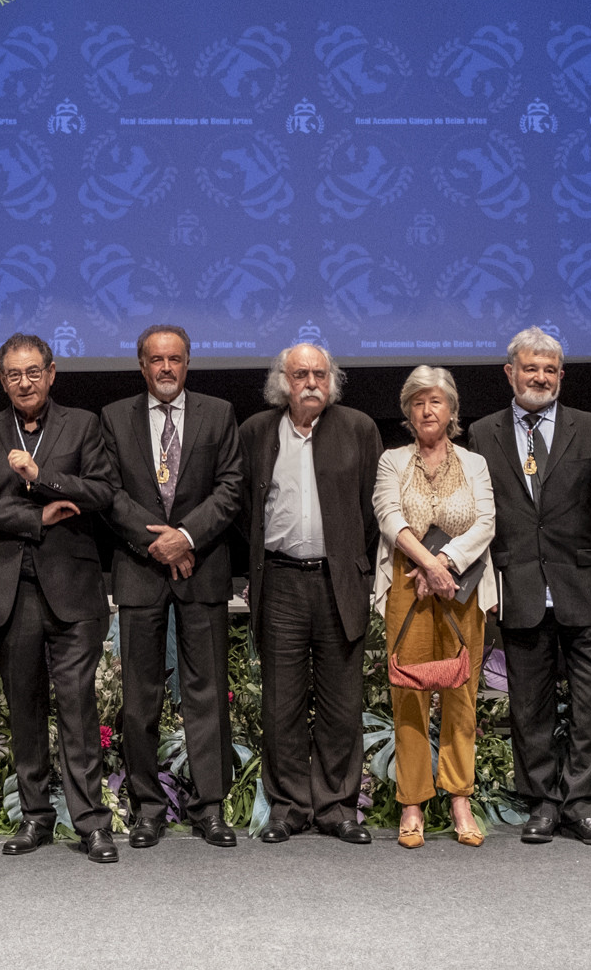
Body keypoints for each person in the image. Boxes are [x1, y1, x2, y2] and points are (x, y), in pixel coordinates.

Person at [0, 333, 122, 861]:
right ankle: (35, 818)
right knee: (24, 710)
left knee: (77, 706)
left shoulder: (83, 424)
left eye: (33, 372)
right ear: (2, 379)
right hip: (10, 589)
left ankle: (92, 823)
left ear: (52, 373)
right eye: (13, 374)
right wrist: (37, 516)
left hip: (73, 591)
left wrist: (42, 478)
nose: (24, 382)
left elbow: (102, 491)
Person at [473, 327, 591, 847]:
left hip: (583, 588)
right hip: (518, 588)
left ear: (562, 375)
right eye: (530, 368)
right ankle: (541, 802)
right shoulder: (482, 432)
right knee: (529, 707)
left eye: (550, 369)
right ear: (509, 372)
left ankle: (581, 804)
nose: (540, 377)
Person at [100, 324, 244, 849]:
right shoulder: (114, 418)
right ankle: (147, 809)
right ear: (142, 365)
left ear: (188, 363)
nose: (166, 368)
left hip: (202, 569)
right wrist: (157, 543)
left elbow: (232, 488)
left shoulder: (219, 413)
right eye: (156, 360)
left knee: (207, 696)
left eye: (175, 359)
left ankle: (210, 808)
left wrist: (186, 537)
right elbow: (109, 493)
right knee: (140, 698)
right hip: (140, 573)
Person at [238, 341, 384, 845]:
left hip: (337, 581)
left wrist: (351, 566)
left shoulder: (359, 429)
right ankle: (289, 806)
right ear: (283, 381)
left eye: (320, 374)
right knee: (282, 703)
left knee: (342, 701)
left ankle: (338, 807)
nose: (311, 384)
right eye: (300, 375)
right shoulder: (257, 431)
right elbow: (243, 513)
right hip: (279, 581)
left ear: (332, 380)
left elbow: (372, 513)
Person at [372, 366, 498, 849]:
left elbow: (485, 522)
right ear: (408, 411)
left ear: (452, 411)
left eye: (437, 402)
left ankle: (460, 798)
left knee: (461, 694)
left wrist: (446, 564)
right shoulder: (391, 460)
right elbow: (389, 516)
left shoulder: (474, 463)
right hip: (407, 587)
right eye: (418, 402)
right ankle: (412, 802)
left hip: (461, 589)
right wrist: (428, 565)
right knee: (410, 694)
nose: (428, 410)